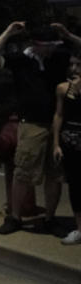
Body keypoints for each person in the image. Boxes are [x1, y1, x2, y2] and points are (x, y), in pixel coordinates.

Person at [0, 22, 80, 235]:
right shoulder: (21, 60)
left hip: (56, 124)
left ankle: (50, 218)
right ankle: (15, 217)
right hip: (31, 124)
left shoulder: (58, 56)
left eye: (55, 44)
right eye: (48, 45)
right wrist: (7, 32)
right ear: (36, 45)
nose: (52, 49)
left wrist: (69, 35)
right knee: (23, 173)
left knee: (54, 175)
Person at [52, 51, 81, 245]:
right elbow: (59, 115)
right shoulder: (63, 88)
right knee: (76, 186)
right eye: (72, 64)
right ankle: (79, 229)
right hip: (70, 140)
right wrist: (55, 144)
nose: (74, 69)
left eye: (79, 65)